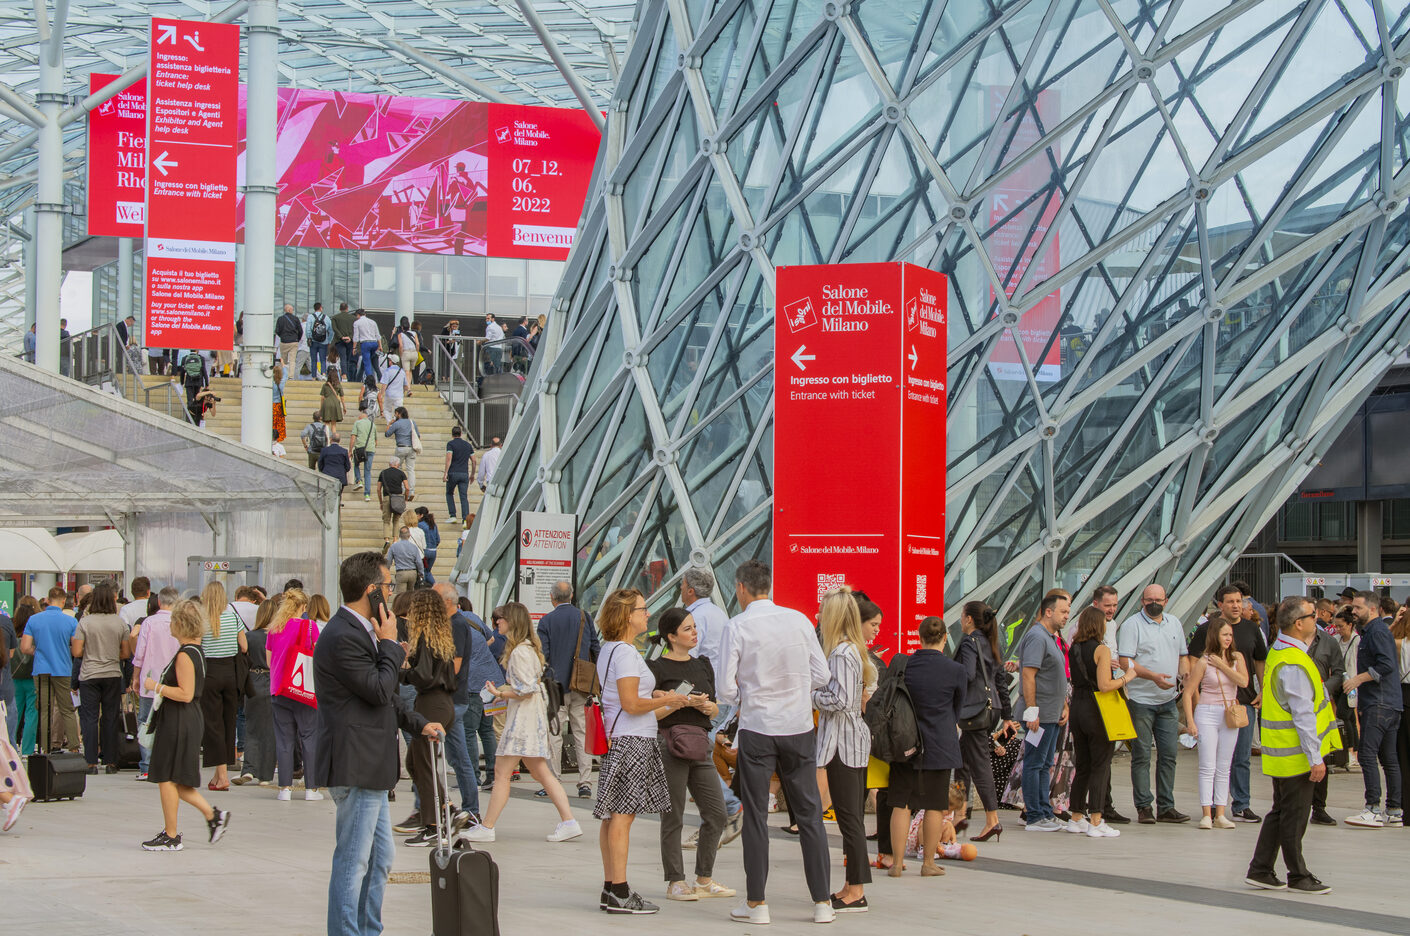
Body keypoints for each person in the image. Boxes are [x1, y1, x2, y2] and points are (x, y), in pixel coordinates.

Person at [311, 551, 443, 936]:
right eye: (387, 586)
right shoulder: (341, 636)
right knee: (354, 860)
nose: (390, 592)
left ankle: (368, 929)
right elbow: (378, 688)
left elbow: (387, 698)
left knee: (380, 856)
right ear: (371, 591)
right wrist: (389, 647)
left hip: (371, 764)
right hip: (356, 763)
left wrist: (419, 724)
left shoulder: (358, 632)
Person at [717, 560, 834, 926]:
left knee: (756, 815)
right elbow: (823, 675)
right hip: (798, 727)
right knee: (810, 815)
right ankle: (822, 903)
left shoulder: (737, 626)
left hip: (758, 728)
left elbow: (725, 688)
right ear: (769, 585)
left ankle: (757, 903)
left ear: (741, 588)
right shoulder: (799, 619)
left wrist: (749, 694)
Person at [460, 602, 584, 846]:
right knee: (540, 772)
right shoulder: (528, 649)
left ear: (512, 621)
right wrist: (504, 691)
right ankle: (569, 821)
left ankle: (488, 826)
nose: (497, 623)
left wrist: (502, 693)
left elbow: (525, 689)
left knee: (503, 772)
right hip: (531, 719)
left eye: (501, 619)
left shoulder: (519, 652)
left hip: (523, 721)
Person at [1245, 597, 1341, 894]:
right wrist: (1316, 758)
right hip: (1297, 753)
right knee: (1295, 816)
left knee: (1281, 811)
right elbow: (1303, 715)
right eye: (1314, 615)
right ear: (1299, 623)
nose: (1319, 619)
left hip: (1285, 752)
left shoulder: (1282, 651)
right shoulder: (1293, 662)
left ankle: (1260, 869)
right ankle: (1297, 875)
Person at [646, 608, 735, 904]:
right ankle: (675, 880)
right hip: (670, 743)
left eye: (694, 627)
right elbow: (652, 712)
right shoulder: (656, 668)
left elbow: (714, 706)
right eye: (687, 629)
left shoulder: (703, 664)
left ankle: (704, 878)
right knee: (673, 815)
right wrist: (678, 701)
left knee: (717, 813)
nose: (694, 633)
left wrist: (707, 708)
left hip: (700, 742)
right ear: (671, 636)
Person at [141, 599, 232, 851]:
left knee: (167, 777)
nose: (170, 624)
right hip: (185, 719)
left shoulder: (185, 654)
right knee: (176, 780)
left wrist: (155, 686)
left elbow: (186, 693)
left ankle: (171, 835)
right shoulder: (196, 651)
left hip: (179, 719)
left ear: (181, 624)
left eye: (172, 620)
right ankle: (213, 817)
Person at [887, 614, 965, 878]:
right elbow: (957, 709)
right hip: (940, 743)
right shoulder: (956, 670)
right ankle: (928, 862)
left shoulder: (904, 665)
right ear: (944, 638)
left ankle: (896, 863)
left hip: (905, 742)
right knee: (934, 804)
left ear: (919, 637)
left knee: (901, 803)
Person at [811, 589, 874, 908]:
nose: (819, 616)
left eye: (823, 611)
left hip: (843, 744)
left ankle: (856, 890)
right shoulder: (850, 650)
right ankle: (852, 886)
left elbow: (840, 700)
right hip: (849, 742)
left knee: (850, 819)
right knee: (851, 818)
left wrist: (811, 696)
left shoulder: (841, 653)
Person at [1187, 584, 1269, 823]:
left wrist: (1262, 690)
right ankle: (1210, 807)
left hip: (1241, 704)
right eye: (1231, 601)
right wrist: (1197, 702)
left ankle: (1240, 804)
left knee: (1240, 757)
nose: (1236, 605)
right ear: (1220, 604)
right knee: (1211, 761)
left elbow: (1260, 661)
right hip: (1211, 706)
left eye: (1239, 601)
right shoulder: (1206, 630)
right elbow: (1193, 663)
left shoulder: (1251, 629)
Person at [680, 568, 744, 842]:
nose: (680, 589)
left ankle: (729, 807)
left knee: (696, 757)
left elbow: (688, 656)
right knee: (697, 755)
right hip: (724, 694)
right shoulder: (718, 613)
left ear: (691, 590)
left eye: (682, 585)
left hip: (707, 697)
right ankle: (719, 815)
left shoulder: (695, 617)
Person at [1117, 584, 1190, 824]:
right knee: (1141, 755)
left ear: (1166, 601)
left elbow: (1182, 654)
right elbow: (1126, 661)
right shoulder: (1132, 625)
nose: (1154, 603)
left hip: (1168, 701)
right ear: (1142, 601)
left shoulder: (1174, 623)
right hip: (1140, 700)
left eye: (1158, 599)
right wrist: (1154, 677)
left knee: (1169, 755)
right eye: (1149, 600)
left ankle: (1166, 806)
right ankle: (1144, 807)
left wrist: (1184, 674)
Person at [1066, 606, 1137, 838]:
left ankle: (1076, 816)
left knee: (1083, 765)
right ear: (1100, 626)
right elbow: (1105, 685)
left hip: (1078, 706)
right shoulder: (1102, 649)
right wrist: (1127, 677)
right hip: (1098, 709)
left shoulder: (1074, 647)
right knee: (1101, 764)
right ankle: (1096, 819)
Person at [400, 588, 460, 847]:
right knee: (415, 763)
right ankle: (445, 808)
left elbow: (422, 676)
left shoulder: (424, 636)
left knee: (421, 765)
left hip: (430, 704)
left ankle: (434, 825)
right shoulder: (440, 636)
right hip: (442, 703)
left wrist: (403, 670)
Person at [1342, 590, 1404, 827]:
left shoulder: (1376, 632)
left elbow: (1387, 664)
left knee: (1367, 754)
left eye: (1358, 608)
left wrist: (1358, 679)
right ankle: (1394, 810)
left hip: (1378, 703)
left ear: (1373, 609)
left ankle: (1373, 808)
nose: (1353, 612)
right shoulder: (1374, 631)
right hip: (1390, 703)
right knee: (1389, 758)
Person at [1182, 617, 1250, 829]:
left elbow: (1243, 681)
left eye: (1230, 635)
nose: (1229, 638)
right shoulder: (1204, 661)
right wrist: (1190, 721)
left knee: (1224, 765)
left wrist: (1222, 664)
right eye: (1224, 635)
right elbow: (1189, 691)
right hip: (1208, 712)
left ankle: (1220, 812)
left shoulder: (1236, 657)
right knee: (1207, 765)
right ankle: (1206, 812)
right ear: (1215, 636)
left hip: (1229, 712)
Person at [955, 600, 1014, 841]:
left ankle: (992, 820)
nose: (960, 620)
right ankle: (959, 815)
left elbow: (966, 674)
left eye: (962, 615)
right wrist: (1008, 715)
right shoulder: (991, 643)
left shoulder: (970, 643)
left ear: (969, 619)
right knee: (963, 759)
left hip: (974, 710)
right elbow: (1001, 681)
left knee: (979, 763)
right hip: (992, 709)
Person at [537, 580, 600, 798]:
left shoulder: (545, 621)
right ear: (571, 595)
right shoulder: (584, 616)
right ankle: (585, 783)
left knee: (555, 733)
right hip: (581, 684)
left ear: (552, 598)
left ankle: (553, 781)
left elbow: (543, 655)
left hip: (556, 686)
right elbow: (595, 647)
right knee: (581, 732)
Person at [1017, 592, 1071, 831]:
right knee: (1035, 763)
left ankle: (1044, 811)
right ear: (1048, 612)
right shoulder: (1038, 637)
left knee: (1045, 762)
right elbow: (1029, 674)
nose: (1066, 616)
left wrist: (1062, 706)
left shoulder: (1050, 637)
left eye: (1068, 612)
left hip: (1051, 713)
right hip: (1040, 715)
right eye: (1063, 612)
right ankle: (1035, 816)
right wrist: (1032, 711)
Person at [265, 590, 323, 802]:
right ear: (304, 606)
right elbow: (317, 657)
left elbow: (269, 661)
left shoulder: (275, 628)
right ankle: (311, 789)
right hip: (304, 691)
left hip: (279, 689)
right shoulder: (310, 627)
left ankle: (285, 789)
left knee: (284, 739)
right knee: (309, 737)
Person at [71, 581, 129, 774]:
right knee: (111, 717)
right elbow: (126, 653)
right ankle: (111, 761)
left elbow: (77, 651)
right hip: (112, 673)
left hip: (89, 674)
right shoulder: (119, 622)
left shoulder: (85, 622)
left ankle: (90, 762)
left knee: (89, 718)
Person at [198, 581, 248, 791]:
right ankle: (221, 774)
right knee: (229, 724)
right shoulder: (233, 617)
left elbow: (197, 646)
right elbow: (244, 647)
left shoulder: (202, 619)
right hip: (231, 675)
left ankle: (222, 776)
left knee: (213, 725)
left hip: (210, 674)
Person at [21, 585, 80, 753]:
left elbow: (25, 647)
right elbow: (76, 649)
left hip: (41, 670)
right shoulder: (71, 621)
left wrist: (37, 651)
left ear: (47, 600)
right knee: (66, 709)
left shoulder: (34, 620)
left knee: (44, 709)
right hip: (63, 669)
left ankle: (45, 748)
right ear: (63, 601)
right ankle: (74, 747)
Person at [130, 587, 180, 780]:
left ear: (159, 602)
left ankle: (146, 766)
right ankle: (168, 765)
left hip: (150, 679)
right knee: (172, 721)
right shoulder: (179, 622)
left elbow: (140, 653)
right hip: (173, 680)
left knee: (146, 720)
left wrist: (135, 676)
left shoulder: (148, 622)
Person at [233, 597, 277, 786]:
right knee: (270, 730)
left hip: (253, 681)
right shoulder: (277, 636)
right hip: (273, 681)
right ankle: (265, 776)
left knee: (251, 727)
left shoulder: (249, 637)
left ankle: (249, 769)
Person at [1307, 615, 1347, 825]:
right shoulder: (1286, 642)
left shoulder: (1328, 641)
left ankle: (1319, 807)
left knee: (1321, 755)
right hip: (1295, 705)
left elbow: (1339, 672)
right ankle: (1295, 805)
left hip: (1320, 706)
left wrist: (1324, 689)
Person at [384, 405, 419, 499]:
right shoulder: (412, 422)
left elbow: (387, 434)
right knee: (410, 469)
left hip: (401, 448)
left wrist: (389, 424)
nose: (395, 415)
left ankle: (403, 489)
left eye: (395, 413)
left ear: (399, 414)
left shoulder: (396, 423)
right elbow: (418, 435)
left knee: (398, 469)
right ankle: (411, 490)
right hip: (411, 448)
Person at [377, 456, 410, 551]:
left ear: (389, 464)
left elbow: (378, 489)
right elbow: (407, 488)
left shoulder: (383, 473)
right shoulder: (401, 473)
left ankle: (387, 540)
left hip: (387, 497)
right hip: (398, 499)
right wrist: (405, 499)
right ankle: (395, 540)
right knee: (396, 520)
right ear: (398, 464)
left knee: (386, 520)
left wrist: (381, 502)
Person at [443, 426, 475, 524]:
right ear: (461, 434)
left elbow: (449, 458)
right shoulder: (468, 445)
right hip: (464, 473)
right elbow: (474, 461)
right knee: (463, 497)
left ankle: (453, 515)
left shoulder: (451, 444)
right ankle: (465, 519)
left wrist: (445, 473)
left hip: (453, 472)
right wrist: (472, 474)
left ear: (452, 434)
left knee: (449, 493)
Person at [351, 404, 377, 501]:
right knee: (367, 472)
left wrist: (350, 450)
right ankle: (367, 495)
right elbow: (376, 440)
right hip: (370, 449)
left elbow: (353, 437)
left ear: (363, 415)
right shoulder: (373, 425)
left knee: (356, 464)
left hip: (359, 448)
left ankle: (359, 480)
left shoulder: (357, 423)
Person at [388, 527, 422, 593]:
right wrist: (421, 572)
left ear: (399, 535)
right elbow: (419, 562)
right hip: (412, 572)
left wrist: (387, 571)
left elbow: (389, 561)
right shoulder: (414, 547)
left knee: (401, 595)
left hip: (401, 572)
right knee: (410, 594)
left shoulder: (394, 546)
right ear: (409, 535)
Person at [352, 308, 382, 383]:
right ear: (364, 314)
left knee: (367, 364)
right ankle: (380, 379)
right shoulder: (373, 322)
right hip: (374, 343)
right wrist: (380, 345)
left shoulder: (357, 323)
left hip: (365, 344)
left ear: (358, 315)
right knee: (373, 363)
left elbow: (356, 337)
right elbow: (378, 335)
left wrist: (354, 347)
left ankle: (370, 382)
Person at [414, 507, 441, 587]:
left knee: (422, 571)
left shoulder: (420, 525)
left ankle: (424, 587)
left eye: (416, 515)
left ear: (421, 515)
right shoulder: (433, 524)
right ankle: (435, 586)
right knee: (427, 571)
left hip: (425, 551)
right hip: (433, 551)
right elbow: (438, 539)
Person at [275, 303, 302, 374]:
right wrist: (297, 339)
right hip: (294, 342)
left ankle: (281, 375)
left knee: (283, 360)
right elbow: (300, 331)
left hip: (284, 342)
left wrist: (282, 336)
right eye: (292, 309)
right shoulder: (296, 319)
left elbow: (277, 331)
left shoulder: (280, 319)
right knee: (292, 360)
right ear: (289, 310)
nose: (293, 311)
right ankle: (291, 376)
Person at [308, 302, 331, 380]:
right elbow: (331, 331)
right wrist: (329, 340)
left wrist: (309, 338)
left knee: (314, 360)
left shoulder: (310, 317)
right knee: (323, 359)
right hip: (323, 341)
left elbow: (308, 330)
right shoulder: (326, 317)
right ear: (321, 308)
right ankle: (323, 374)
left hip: (313, 341)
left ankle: (314, 376)